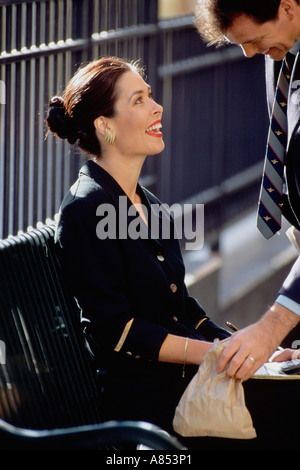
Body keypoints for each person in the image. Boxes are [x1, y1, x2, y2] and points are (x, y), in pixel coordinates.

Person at [47, 56, 300, 450]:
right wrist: (216, 355)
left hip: (187, 384)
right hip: (151, 405)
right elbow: (116, 330)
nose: (156, 106)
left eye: (149, 95)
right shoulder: (86, 210)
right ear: (105, 126)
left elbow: (180, 304)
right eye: (138, 100)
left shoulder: (148, 204)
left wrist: (248, 351)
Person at [194, 0, 300, 382]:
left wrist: (270, 328)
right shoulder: (281, 52)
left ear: (288, 7)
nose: (248, 53)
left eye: (254, 39)